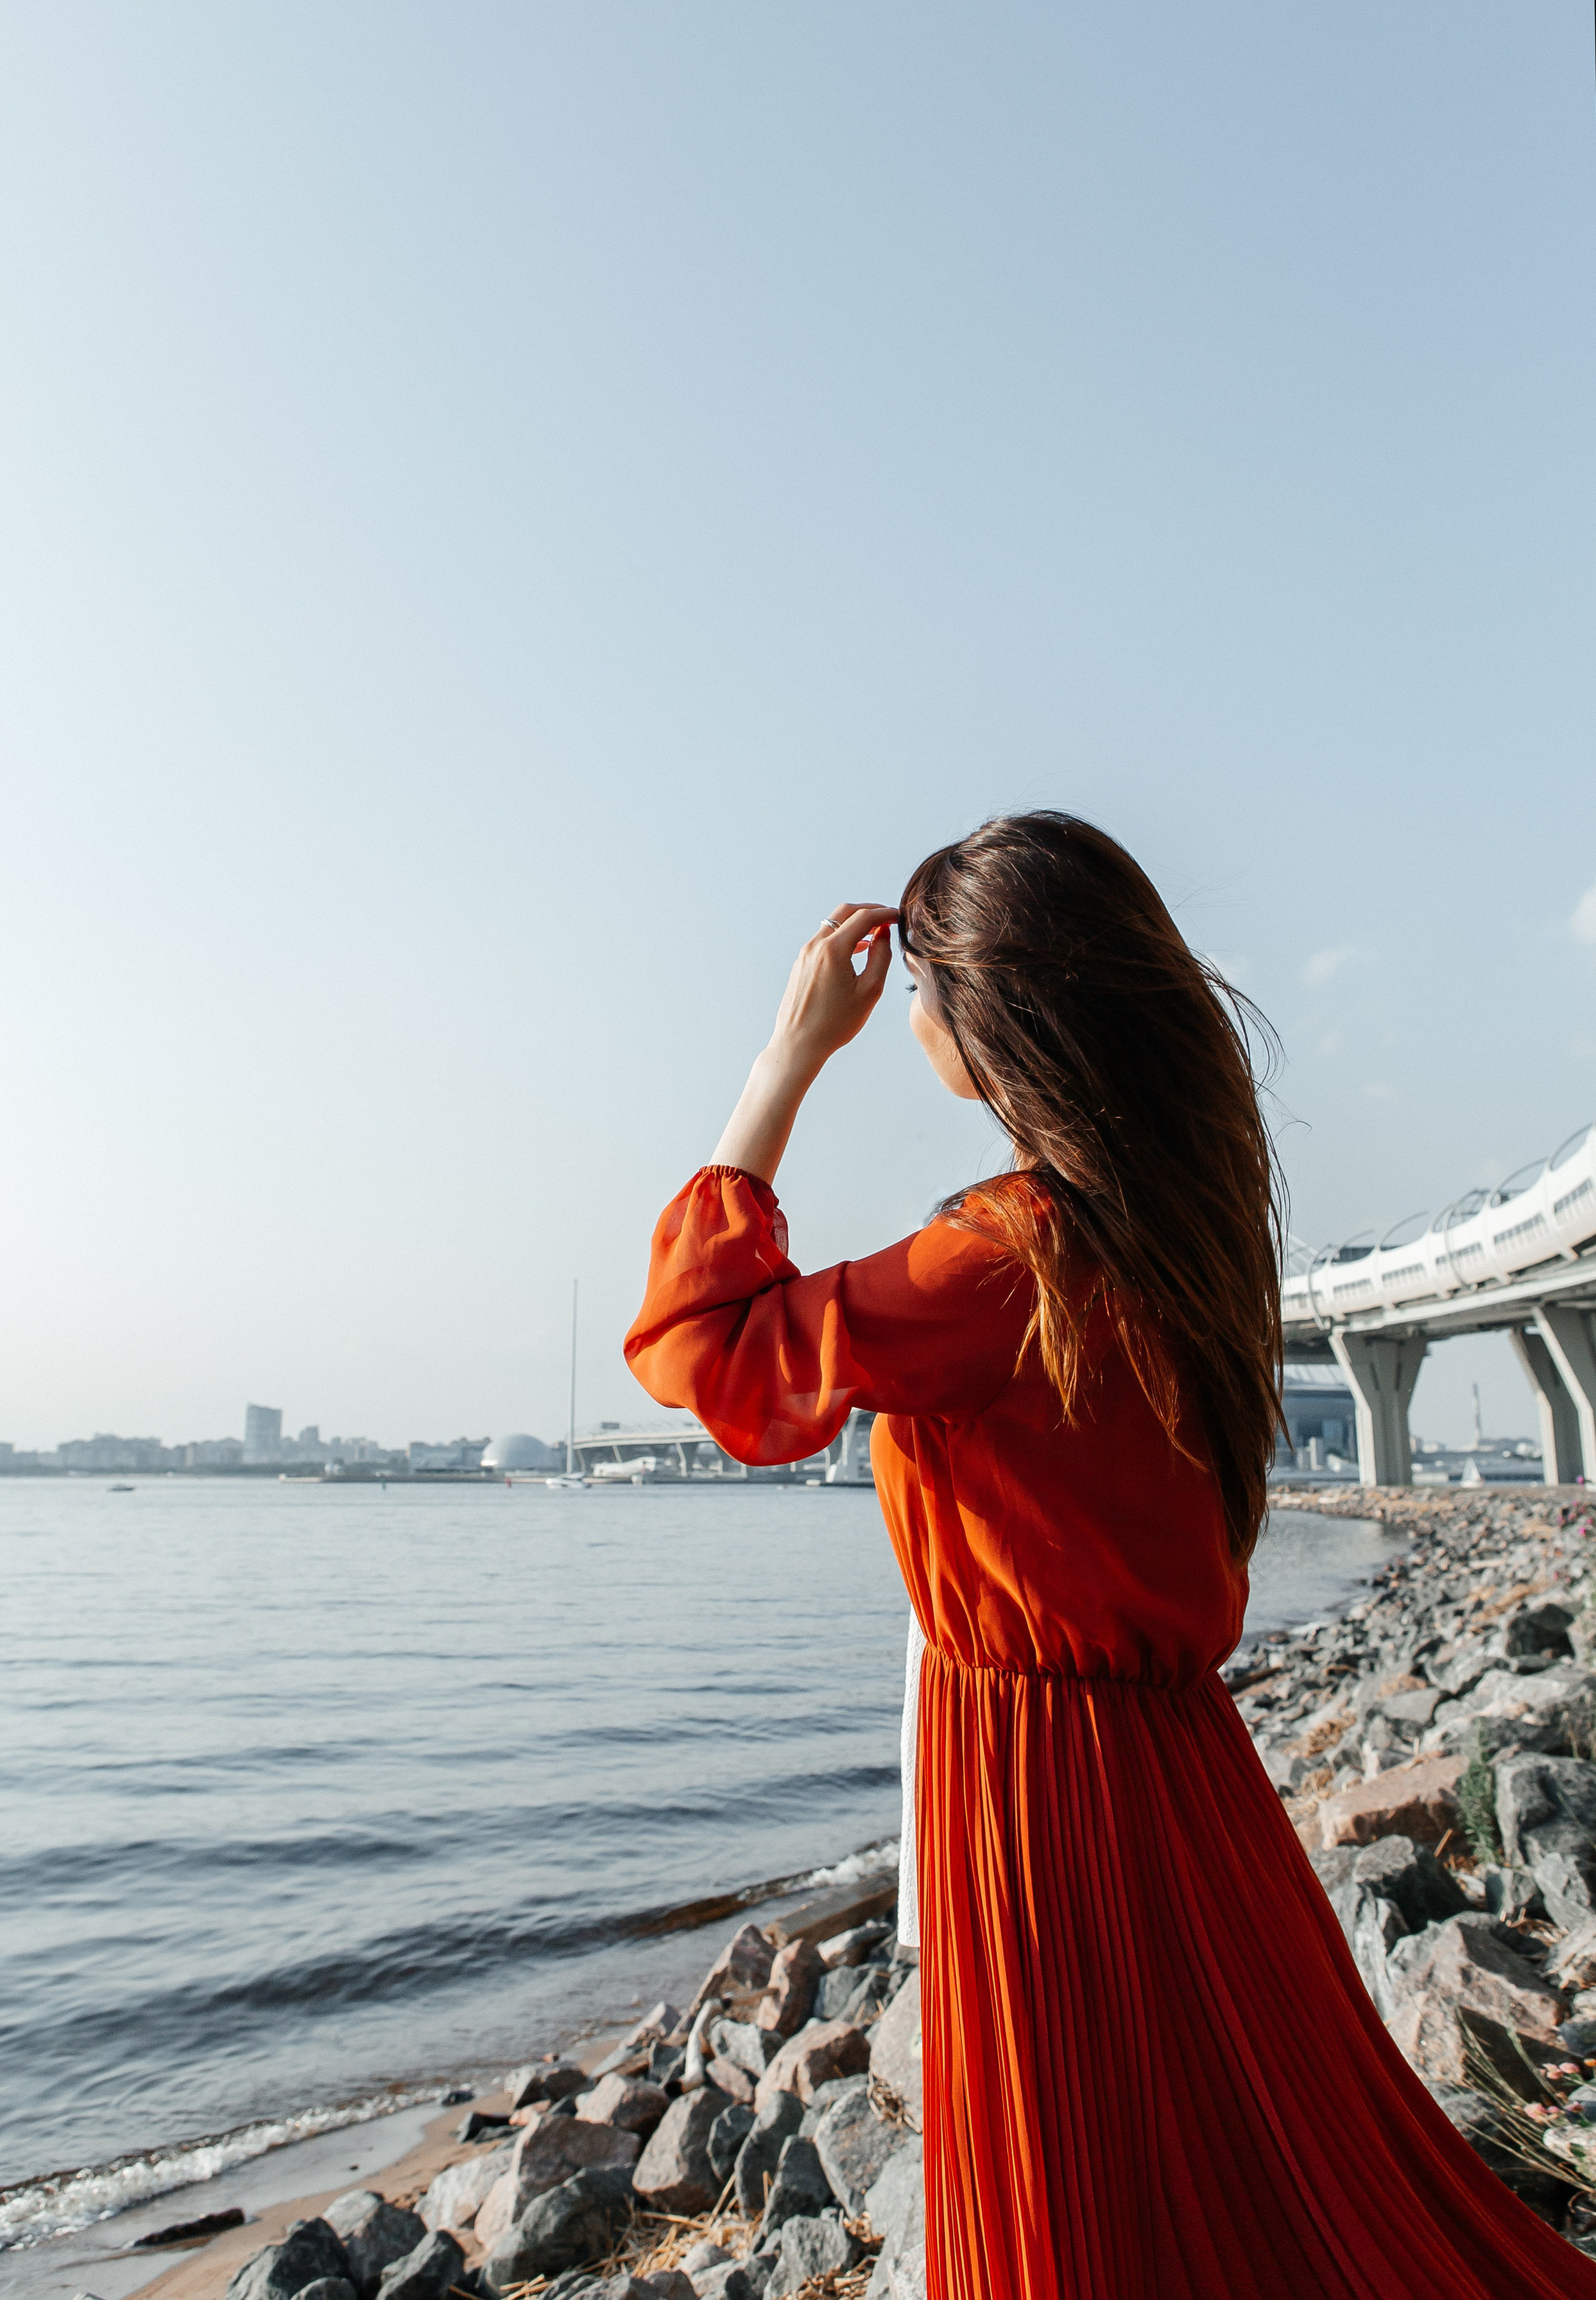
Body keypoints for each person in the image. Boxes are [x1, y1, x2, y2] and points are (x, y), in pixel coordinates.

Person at [624, 811, 1593, 2299]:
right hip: (1174, 1756)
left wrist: (782, 1063)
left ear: (993, 1011)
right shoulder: (1164, 1220)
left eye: (929, 991)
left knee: (1080, 2171)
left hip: (1030, 1768)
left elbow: (710, 1356)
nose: (911, 1021)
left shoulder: (1007, 1254)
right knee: (1232, 2140)